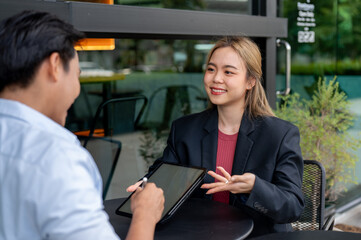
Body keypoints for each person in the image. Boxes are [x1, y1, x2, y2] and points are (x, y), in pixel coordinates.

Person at [0, 10, 164, 240]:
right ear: (55, 65)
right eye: (76, 75)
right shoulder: (55, 158)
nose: (77, 91)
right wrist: (145, 213)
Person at [128, 36, 304, 238]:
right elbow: (162, 178)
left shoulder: (279, 134)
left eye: (228, 72)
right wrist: (145, 186)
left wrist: (255, 187)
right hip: (198, 234)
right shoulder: (185, 129)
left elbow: (293, 207)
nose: (216, 78)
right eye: (211, 69)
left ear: (250, 81)